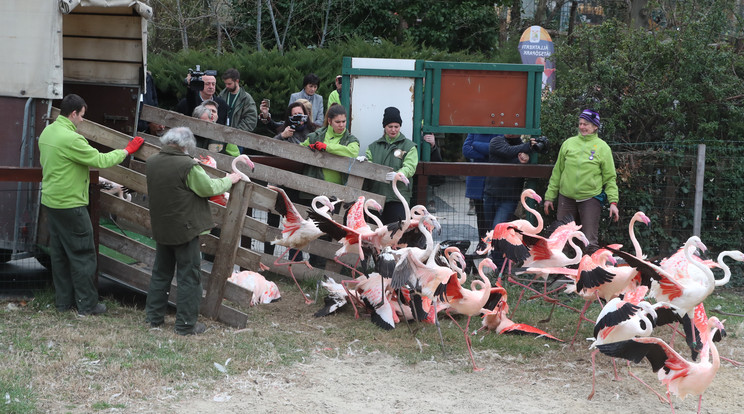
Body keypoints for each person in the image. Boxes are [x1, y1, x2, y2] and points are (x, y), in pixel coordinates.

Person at [38, 94, 144, 315]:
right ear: (74, 113)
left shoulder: (48, 132)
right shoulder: (71, 139)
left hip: (51, 201)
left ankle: (63, 302)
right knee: (83, 254)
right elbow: (100, 161)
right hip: (71, 205)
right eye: (82, 116)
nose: (83, 121)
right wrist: (127, 150)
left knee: (59, 254)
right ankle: (87, 305)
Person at [145, 127, 241, 335]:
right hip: (185, 230)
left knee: (161, 274)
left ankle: (153, 318)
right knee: (189, 277)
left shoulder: (152, 162)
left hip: (162, 227)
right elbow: (209, 188)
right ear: (186, 145)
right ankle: (186, 324)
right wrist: (229, 180)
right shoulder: (188, 166)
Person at [544, 109, 619, 253]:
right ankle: (559, 273)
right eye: (581, 123)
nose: (582, 127)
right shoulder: (568, 143)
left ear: (595, 127)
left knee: (590, 239)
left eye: (587, 124)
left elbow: (610, 178)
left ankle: (590, 273)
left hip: (590, 197)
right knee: (561, 237)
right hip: (566, 196)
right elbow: (557, 172)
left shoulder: (603, 148)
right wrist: (549, 196)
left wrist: (613, 202)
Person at [483, 134, 535, 267]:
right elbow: (506, 151)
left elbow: (512, 154)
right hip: (490, 194)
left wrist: (525, 157)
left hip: (508, 198)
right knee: (491, 231)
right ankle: (497, 266)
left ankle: (501, 268)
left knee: (499, 229)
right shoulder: (496, 140)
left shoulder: (520, 147)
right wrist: (528, 147)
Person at [364, 106, 418, 224]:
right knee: (376, 234)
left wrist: (399, 174)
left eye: (396, 127)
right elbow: (369, 165)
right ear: (384, 126)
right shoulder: (373, 147)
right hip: (376, 196)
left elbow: (410, 166)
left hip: (398, 198)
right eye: (390, 127)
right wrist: (363, 163)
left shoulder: (409, 147)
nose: (393, 130)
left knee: (396, 234)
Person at [462, 133, 496, 248]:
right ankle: (482, 244)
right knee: (480, 214)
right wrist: (488, 154)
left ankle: (494, 246)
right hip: (477, 179)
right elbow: (466, 149)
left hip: (493, 179)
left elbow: (496, 149)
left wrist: (475, 145)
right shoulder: (474, 129)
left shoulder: (499, 127)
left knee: (493, 214)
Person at [218, 68, 257, 156]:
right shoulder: (221, 95)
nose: (227, 86)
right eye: (225, 84)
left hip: (237, 140)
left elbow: (251, 119)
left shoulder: (246, 98)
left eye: (229, 84)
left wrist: (236, 132)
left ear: (237, 81)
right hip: (221, 137)